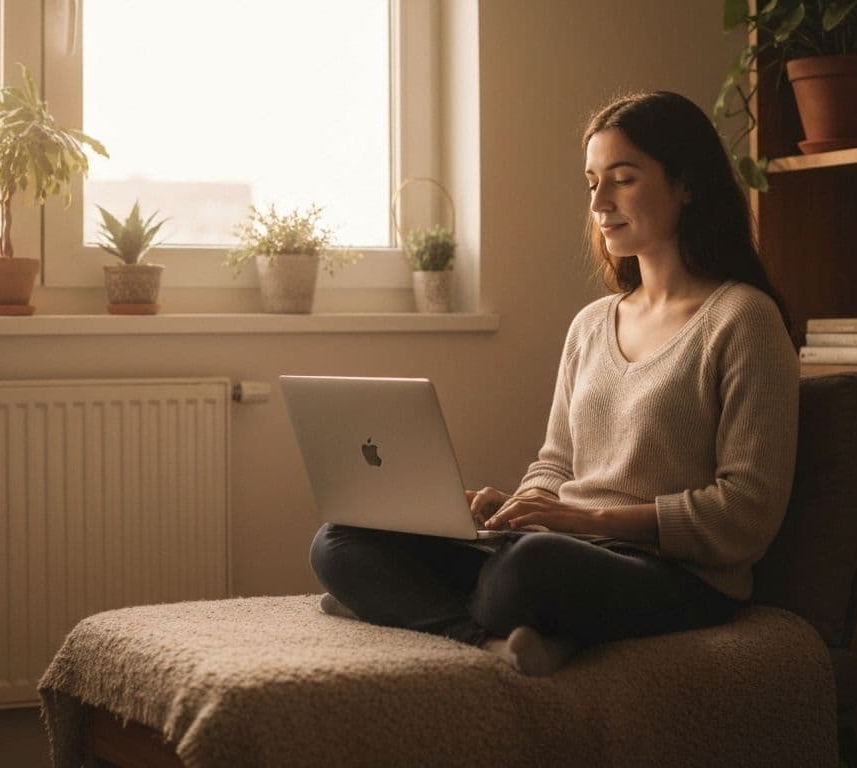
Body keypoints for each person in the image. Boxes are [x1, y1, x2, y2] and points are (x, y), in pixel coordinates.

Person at [309, 91, 799, 675]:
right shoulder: (591, 324)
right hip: (563, 546)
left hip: (672, 574)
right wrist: (519, 504)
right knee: (341, 540)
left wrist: (591, 521)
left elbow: (746, 513)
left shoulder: (744, 319)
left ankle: (407, 608)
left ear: (686, 185)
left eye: (622, 178)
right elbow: (555, 462)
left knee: (524, 571)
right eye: (592, 181)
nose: (599, 202)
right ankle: (489, 640)